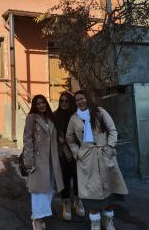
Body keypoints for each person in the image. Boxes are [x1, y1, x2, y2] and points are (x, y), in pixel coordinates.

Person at [66, 90, 128, 230]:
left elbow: (112, 130)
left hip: (105, 155)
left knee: (110, 190)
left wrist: (110, 147)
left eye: (82, 98)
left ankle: (108, 221)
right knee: (91, 194)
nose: (80, 102)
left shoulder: (100, 112)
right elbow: (69, 139)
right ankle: (95, 224)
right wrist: (78, 153)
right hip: (87, 159)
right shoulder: (74, 118)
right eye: (77, 100)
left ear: (87, 98)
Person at [23, 94, 64, 230]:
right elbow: (27, 139)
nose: (41, 105)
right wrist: (29, 161)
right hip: (38, 159)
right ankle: (37, 219)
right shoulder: (31, 118)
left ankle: (41, 214)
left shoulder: (50, 118)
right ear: (35, 105)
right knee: (38, 190)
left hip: (51, 160)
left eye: (43, 103)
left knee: (48, 188)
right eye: (38, 103)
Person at [54, 91, 85, 220]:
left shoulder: (78, 115)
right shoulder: (54, 116)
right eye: (62, 101)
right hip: (62, 153)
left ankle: (78, 201)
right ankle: (66, 203)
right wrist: (58, 139)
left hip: (77, 152)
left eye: (67, 101)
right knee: (64, 178)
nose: (64, 103)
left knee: (79, 178)